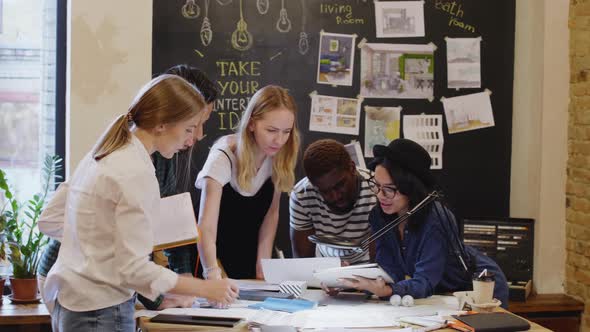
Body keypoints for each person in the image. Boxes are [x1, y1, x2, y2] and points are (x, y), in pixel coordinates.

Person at [38, 74, 238, 332]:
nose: (191, 141)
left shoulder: (105, 152)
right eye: (188, 129)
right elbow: (133, 269)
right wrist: (207, 288)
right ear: (161, 124)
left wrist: (97, 245)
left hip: (74, 304)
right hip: (100, 311)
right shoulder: (136, 171)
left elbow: (50, 219)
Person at [336, 138, 509, 308]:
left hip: (479, 287)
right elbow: (389, 271)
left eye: (389, 189)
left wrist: (387, 290)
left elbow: (425, 281)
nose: (380, 195)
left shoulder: (436, 219)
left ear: (410, 188)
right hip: (443, 294)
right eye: (376, 185)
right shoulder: (379, 215)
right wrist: (349, 280)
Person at [196, 85, 300, 281]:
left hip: (248, 256)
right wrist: (212, 273)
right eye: (271, 130)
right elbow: (206, 226)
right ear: (251, 124)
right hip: (209, 257)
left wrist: (262, 265)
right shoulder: (223, 157)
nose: (279, 140)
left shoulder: (279, 156)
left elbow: (272, 214)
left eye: (286, 131)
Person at [289, 139, 377, 264]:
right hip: (324, 264)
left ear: (352, 168)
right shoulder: (301, 195)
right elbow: (302, 261)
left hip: (367, 263)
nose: (335, 196)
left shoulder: (377, 189)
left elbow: (381, 257)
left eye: (340, 185)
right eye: (325, 191)